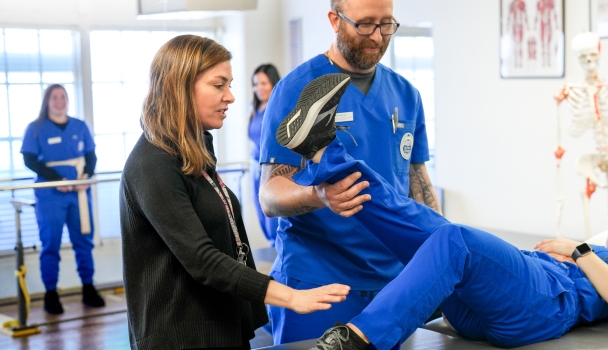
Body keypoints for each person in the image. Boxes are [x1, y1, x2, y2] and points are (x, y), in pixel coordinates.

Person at [273, 74, 608, 350]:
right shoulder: (599, 254)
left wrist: (578, 249)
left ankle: (359, 340)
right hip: (489, 308)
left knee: (455, 238)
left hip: (543, 306)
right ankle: (323, 150)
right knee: (417, 224)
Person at [119, 35, 350, 350]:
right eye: (218, 85)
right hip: (180, 336)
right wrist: (290, 297)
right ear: (179, 86)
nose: (230, 97)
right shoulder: (152, 163)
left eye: (229, 85)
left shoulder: (195, 151)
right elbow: (202, 259)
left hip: (219, 325)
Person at [258, 0, 442, 344]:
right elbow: (270, 196)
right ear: (335, 20)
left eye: (386, 24)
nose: (378, 36)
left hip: (392, 284)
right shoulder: (297, 88)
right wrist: (319, 196)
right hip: (318, 283)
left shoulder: (406, 94)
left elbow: (418, 185)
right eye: (365, 24)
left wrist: (445, 255)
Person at [21, 84, 105, 315]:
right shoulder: (36, 128)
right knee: (51, 243)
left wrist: (86, 177)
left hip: (79, 192)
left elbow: (91, 156)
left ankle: (88, 288)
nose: (59, 101)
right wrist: (57, 180)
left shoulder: (80, 126)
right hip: (50, 195)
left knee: (83, 241)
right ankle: (51, 293)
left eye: (63, 97)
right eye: (54, 97)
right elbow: (29, 159)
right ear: (47, 102)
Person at [249, 64, 281, 245]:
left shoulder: (278, 108)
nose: (258, 88)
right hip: (256, 170)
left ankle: (277, 248)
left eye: (263, 83)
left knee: (272, 217)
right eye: (255, 84)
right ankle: (272, 245)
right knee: (261, 214)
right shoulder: (254, 108)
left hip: (272, 169)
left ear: (273, 83)